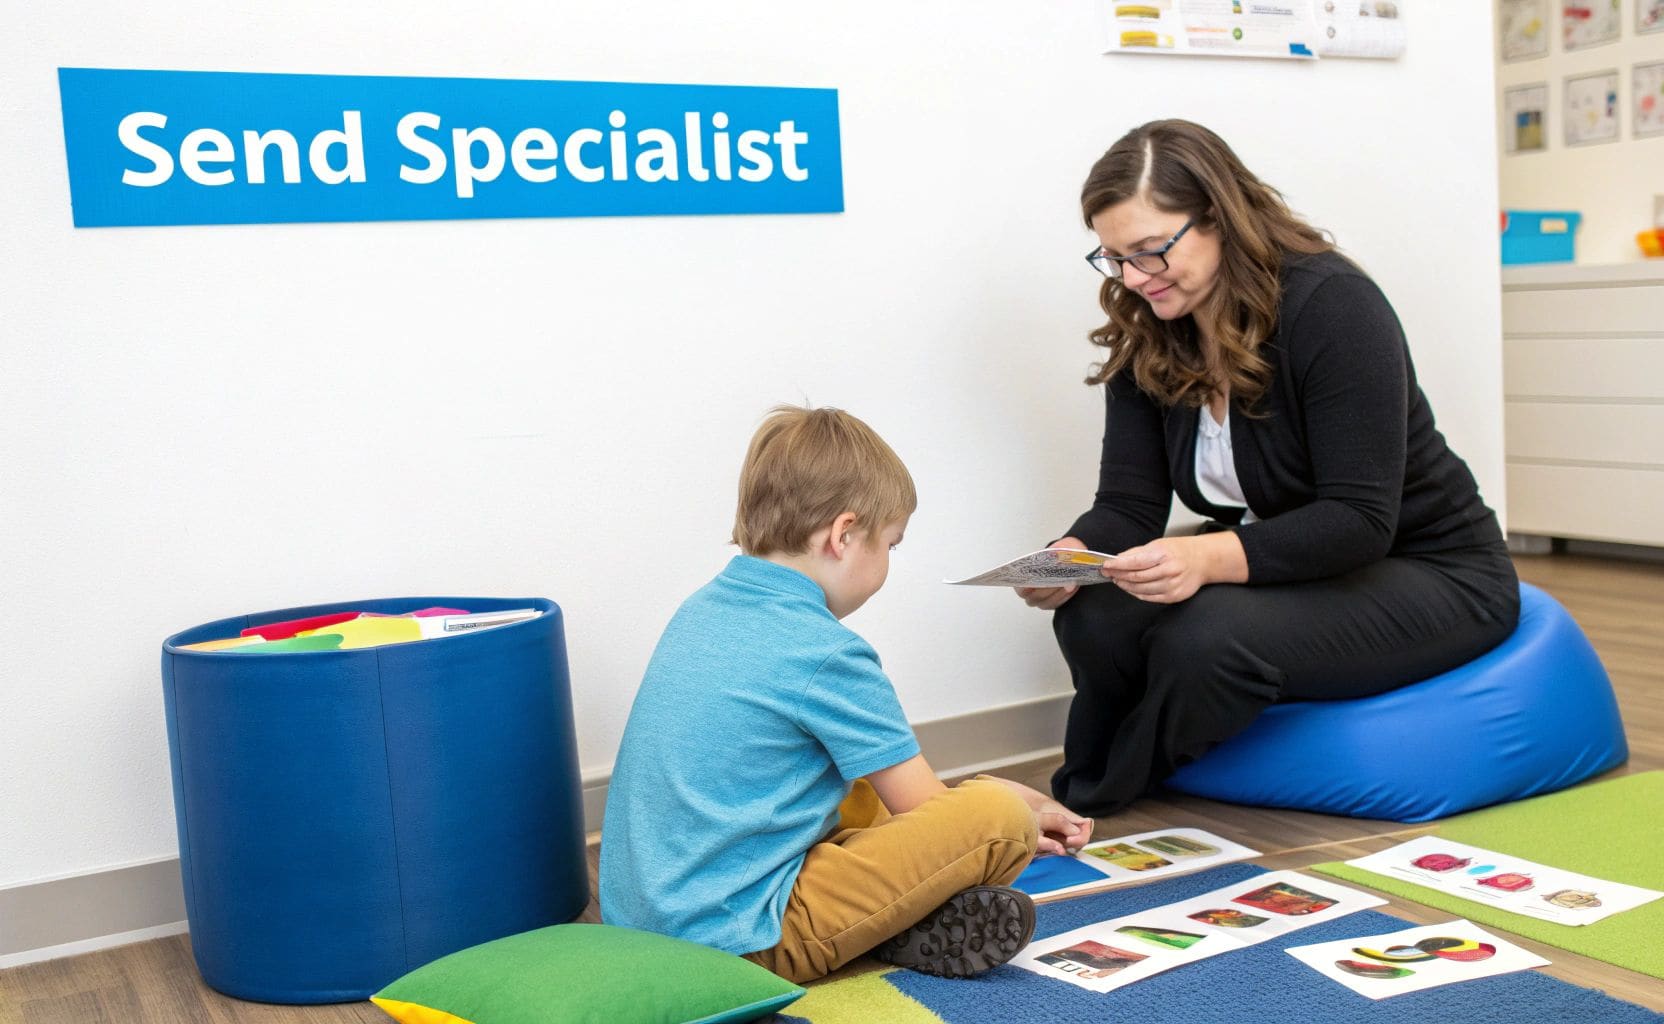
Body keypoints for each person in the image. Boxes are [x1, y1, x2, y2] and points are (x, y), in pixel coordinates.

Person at [1017, 119, 1519, 816]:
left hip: (1433, 569)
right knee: (1097, 613)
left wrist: (1205, 559)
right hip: (1306, 566)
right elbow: (1129, 506)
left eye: (1150, 252)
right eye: (1112, 258)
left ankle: (1096, 796)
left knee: (1206, 639)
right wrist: (1075, 556)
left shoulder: (1333, 306)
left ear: (1218, 219)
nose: (1133, 278)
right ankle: (1106, 788)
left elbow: (1359, 520)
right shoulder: (1151, 325)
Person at [599, 405, 1095, 984]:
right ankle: (892, 921)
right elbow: (931, 814)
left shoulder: (701, 610)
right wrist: (1011, 799)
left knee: (852, 781)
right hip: (741, 940)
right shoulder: (827, 652)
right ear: (843, 535)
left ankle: (901, 923)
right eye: (890, 544)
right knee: (999, 819)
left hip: (639, 920)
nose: (888, 561)